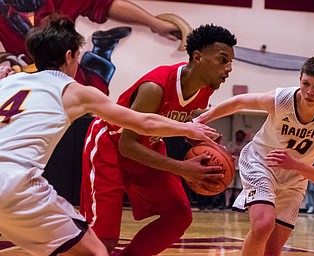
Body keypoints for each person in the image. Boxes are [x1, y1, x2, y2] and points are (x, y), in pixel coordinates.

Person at [0, 14, 219, 256]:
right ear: (69, 56)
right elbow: (144, 122)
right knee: (96, 251)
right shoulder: (77, 91)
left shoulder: (10, 82)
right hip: (16, 183)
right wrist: (188, 128)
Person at [80, 24, 237, 255]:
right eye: (223, 60)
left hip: (149, 146)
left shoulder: (205, 90)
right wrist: (182, 168)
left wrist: (206, 145)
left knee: (179, 214)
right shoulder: (156, 87)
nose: (229, 68)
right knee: (103, 242)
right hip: (109, 146)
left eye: (231, 62)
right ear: (198, 57)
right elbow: (127, 145)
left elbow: (175, 125)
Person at [194, 55, 314, 256]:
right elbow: (240, 102)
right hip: (260, 162)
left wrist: (296, 166)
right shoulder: (282, 100)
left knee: (272, 250)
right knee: (262, 226)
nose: (310, 92)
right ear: (300, 80)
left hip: (296, 178)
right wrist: (202, 118)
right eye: (306, 83)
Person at [0, 0, 183, 94]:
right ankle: (101, 51)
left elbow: (103, 4)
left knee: (94, 92)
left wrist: (154, 23)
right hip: (27, 80)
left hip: (62, 76)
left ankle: (101, 51)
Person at [225, 129, 247, 209]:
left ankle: (236, 204)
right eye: (238, 135)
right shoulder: (231, 144)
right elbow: (227, 153)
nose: (239, 137)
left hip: (241, 168)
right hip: (231, 167)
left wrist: (237, 152)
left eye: (241, 135)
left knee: (238, 187)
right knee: (229, 187)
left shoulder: (246, 145)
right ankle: (227, 204)